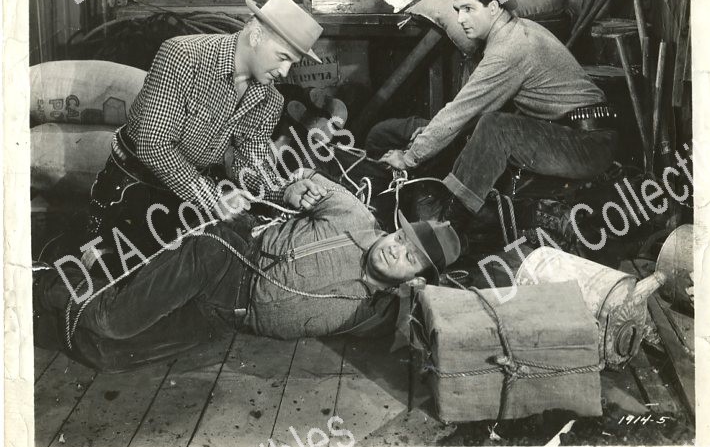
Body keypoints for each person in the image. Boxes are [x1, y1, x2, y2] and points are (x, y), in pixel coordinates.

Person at [35, 171, 461, 370]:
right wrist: (292, 187)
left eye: (409, 258)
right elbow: (300, 176)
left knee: (107, 354)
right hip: (225, 258)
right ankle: (40, 283)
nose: (394, 251)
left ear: (415, 279)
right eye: (401, 238)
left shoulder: (377, 313)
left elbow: (434, 330)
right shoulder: (353, 215)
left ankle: (68, 291)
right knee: (113, 322)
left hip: (225, 317)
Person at [83, 0, 325, 270]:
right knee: (121, 273)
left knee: (203, 271)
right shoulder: (183, 56)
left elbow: (248, 164)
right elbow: (153, 144)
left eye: (293, 63)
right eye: (283, 58)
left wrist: (284, 191)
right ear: (256, 35)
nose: (284, 71)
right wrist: (213, 198)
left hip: (188, 195)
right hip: (133, 187)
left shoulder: (270, 100)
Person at [378, 0, 619, 230]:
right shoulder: (515, 31)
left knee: (495, 127)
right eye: (457, 10)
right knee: (481, 126)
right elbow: (468, 109)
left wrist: (410, 158)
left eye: (469, 9)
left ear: (493, 8)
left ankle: (448, 227)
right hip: (572, 132)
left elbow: (462, 111)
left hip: (588, 145)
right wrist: (429, 137)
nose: (460, 19)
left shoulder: (509, 50)